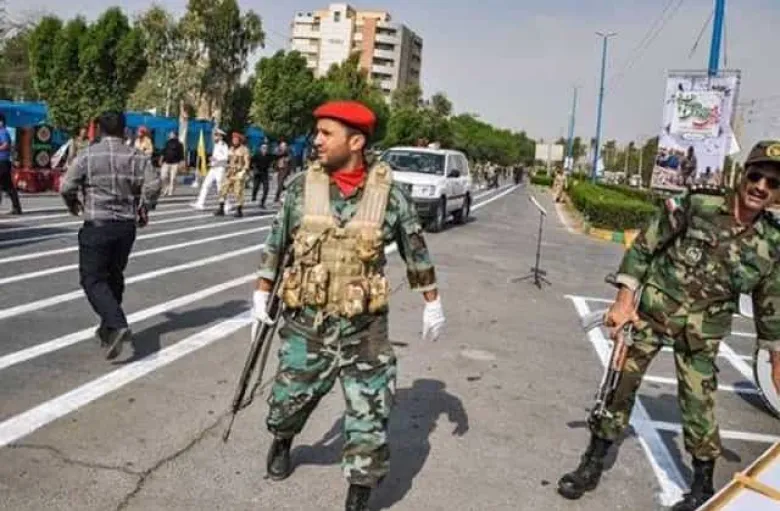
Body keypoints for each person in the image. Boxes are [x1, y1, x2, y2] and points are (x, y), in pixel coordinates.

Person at [557, 140, 780, 511]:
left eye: (773, 183)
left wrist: (775, 361)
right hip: (651, 315)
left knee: (699, 405)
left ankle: (702, 486)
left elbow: (771, 306)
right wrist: (623, 301)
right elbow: (645, 246)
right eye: (756, 176)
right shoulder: (700, 204)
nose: (761, 187)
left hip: (703, 333)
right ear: (743, 175)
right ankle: (591, 464)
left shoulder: (773, 242)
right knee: (619, 387)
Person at [252, 100, 446, 511]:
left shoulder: (390, 196)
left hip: (365, 330)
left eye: (326, 133)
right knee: (287, 404)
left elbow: (415, 250)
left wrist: (432, 302)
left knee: (369, 420)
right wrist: (261, 292)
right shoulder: (301, 188)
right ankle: (283, 439)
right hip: (307, 325)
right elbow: (276, 243)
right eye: (317, 132)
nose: (316, 140)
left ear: (355, 142)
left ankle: (359, 493)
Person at [60, 111, 161, 360]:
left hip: (98, 224)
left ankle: (116, 323)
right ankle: (108, 329)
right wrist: (145, 207)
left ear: (100, 130)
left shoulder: (88, 155)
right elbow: (153, 185)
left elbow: (67, 186)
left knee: (92, 279)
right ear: (124, 131)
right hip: (125, 227)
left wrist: (73, 204)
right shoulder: (137, 156)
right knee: (114, 275)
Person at [214, 132, 250, 218]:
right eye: (233, 139)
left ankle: (239, 210)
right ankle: (221, 209)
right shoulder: (231, 148)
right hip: (229, 173)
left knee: (238, 192)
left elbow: (247, 163)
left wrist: (243, 172)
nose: (234, 140)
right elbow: (228, 160)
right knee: (223, 190)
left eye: (236, 139)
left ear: (239, 140)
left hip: (238, 173)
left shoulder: (244, 150)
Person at [192, 129, 229, 210]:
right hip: (213, 168)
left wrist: (215, 159)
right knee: (205, 185)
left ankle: (226, 204)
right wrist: (212, 160)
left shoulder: (224, 145)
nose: (214, 137)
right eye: (215, 135)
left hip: (220, 168)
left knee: (220, 187)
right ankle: (200, 203)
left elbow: (226, 158)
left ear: (220, 136)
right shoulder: (216, 145)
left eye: (216, 135)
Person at [0, 113, 22, 215]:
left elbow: (6, 145)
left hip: (2, 161)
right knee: (8, 186)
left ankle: (17, 208)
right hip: (4, 162)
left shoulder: (3, 132)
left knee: (7, 186)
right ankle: (17, 208)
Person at [250, 143, 276, 209]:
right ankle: (254, 195)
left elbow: (277, 157)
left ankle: (262, 203)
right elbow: (250, 161)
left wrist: (285, 154)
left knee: (266, 188)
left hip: (265, 174)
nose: (264, 149)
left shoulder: (269, 156)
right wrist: (252, 169)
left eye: (266, 148)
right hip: (257, 173)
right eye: (263, 148)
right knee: (255, 187)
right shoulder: (256, 155)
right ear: (260, 149)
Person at [159, 131, 185, 196]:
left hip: (175, 163)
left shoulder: (180, 144)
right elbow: (163, 152)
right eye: (170, 134)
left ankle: (170, 191)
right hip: (166, 162)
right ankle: (166, 188)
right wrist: (161, 159)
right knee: (163, 176)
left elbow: (181, 155)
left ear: (175, 135)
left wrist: (182, 163)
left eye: (171, 134)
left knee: (173, 178)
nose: (170, 135)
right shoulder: (167, 143)